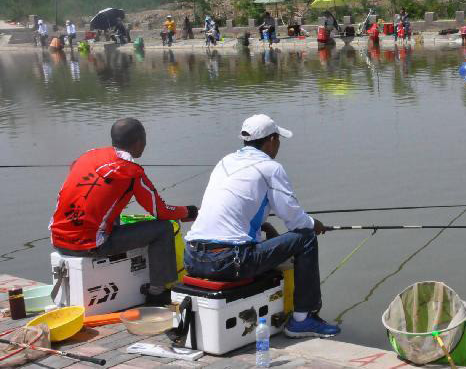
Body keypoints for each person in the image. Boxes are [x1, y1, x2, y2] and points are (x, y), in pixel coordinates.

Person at [184, 114, 341, 338]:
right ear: (271, 140)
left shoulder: (224, 162)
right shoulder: (270, 168)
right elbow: (295, 219)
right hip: (229, 262)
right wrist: (315, 224)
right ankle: (303, 319)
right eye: (278, 140)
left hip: (191, 257)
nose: (278, 146)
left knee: (266, 232)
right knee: (305, 237)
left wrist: (263, 226)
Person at [49, 118, 198, 305]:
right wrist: (189, 211)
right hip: (90, 245)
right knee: (163, 228)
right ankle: (157, 292)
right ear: (138, 142)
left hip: (58, 240)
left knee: (110, 206)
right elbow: (160, 211)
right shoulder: (132, 172)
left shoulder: (87, 156)